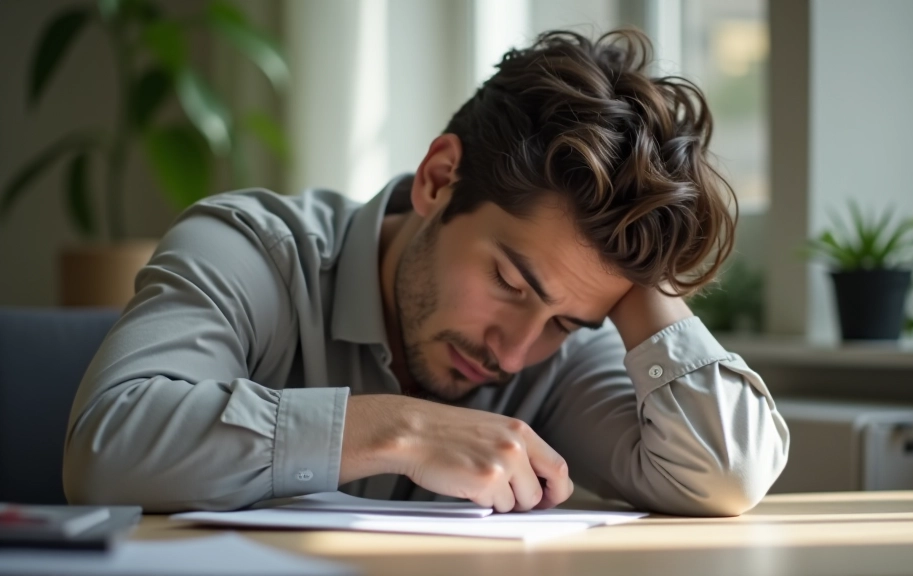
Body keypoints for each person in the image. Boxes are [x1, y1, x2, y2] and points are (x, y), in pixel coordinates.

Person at [63, 29, 788, 516]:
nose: (513, 352)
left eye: (568, 320)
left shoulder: (556, 350)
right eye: (511, 282)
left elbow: (726, 476)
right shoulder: (251, 249)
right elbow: (108, 448)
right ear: (440, 179)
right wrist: (396, 429)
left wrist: (640, 275)